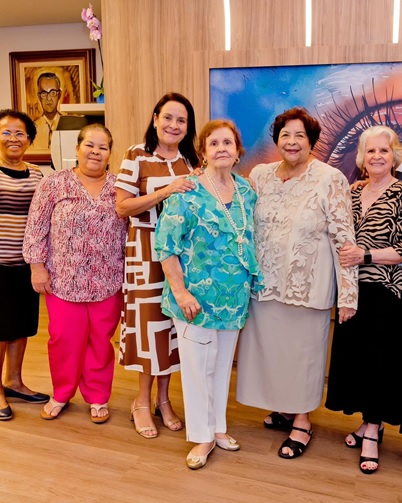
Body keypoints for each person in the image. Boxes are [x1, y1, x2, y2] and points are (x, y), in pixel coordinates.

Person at [236, 107, 358, 459]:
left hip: (307, 285)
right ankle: (285, 409)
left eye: (299, 136)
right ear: (277, 140)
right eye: (285, 135)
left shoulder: (330, 178)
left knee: (303, 356)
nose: (292, 142)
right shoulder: (260, 175)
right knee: (273, 352)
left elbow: (344, 239)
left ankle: (302, 421)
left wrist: (348, 294)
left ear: (311, 141)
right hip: (265, 284)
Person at [155, 119, 264, 469]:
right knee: (198, 368)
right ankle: (202, 437)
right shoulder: (187, 192)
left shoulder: (246, 191)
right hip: (195, 299)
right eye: (213, 143)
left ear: (238, 151)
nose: (221, 148)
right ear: (203, 151)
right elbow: (166, 246)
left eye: (227, 143)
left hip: (233, 298)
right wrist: (180, 291)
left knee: (219, 366)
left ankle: (217, 428)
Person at [23, 124, 127, 423]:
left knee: (100, 342)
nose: (95, 152)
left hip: (108, 278)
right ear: (77, 148)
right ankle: (62, 393)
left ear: (110, 153)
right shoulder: (54, 183)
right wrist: (37, 267)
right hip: (62, 279)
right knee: (63, 340)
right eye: (89, 145)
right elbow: (36, 227)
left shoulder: (120, 186)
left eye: (103, 147)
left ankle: (98, 397)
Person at [115, 92, 201, 439]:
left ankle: (164, 400)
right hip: (145, 250)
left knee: (171, 327)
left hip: (181, 255)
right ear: (155, 119)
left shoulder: (192, 161)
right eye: (168, 117)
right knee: (148, 325)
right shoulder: (136, 155)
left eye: (181, 120)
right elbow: (122, 207)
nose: (173, 125)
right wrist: (166, 190)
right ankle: (141, 401)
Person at [325, 125, 402, 475]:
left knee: (379, 362)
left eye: (384, 150)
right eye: (371, 151)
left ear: (394, 156)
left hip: (386, 290)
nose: (377, 156)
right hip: (352, 290)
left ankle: (372, 432)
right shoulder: (353, 193)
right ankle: (369, 421)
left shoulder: (401, 192)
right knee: (358, 361)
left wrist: (365, 256)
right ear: (361, 157)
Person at [0, 109, 50, 421]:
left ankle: (14, 381)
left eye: (20, 133)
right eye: (6, 132)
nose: (13, 138)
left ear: (29, 139)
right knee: (0, 330)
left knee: (21, 326)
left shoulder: (36, 174)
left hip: (27, 264)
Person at [30, 72, 62, 151]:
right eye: (44, 93)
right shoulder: (32, 128)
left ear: (59, 94)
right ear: (39, 96)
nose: (48, 99)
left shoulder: (68, 125)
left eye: (53, 93)